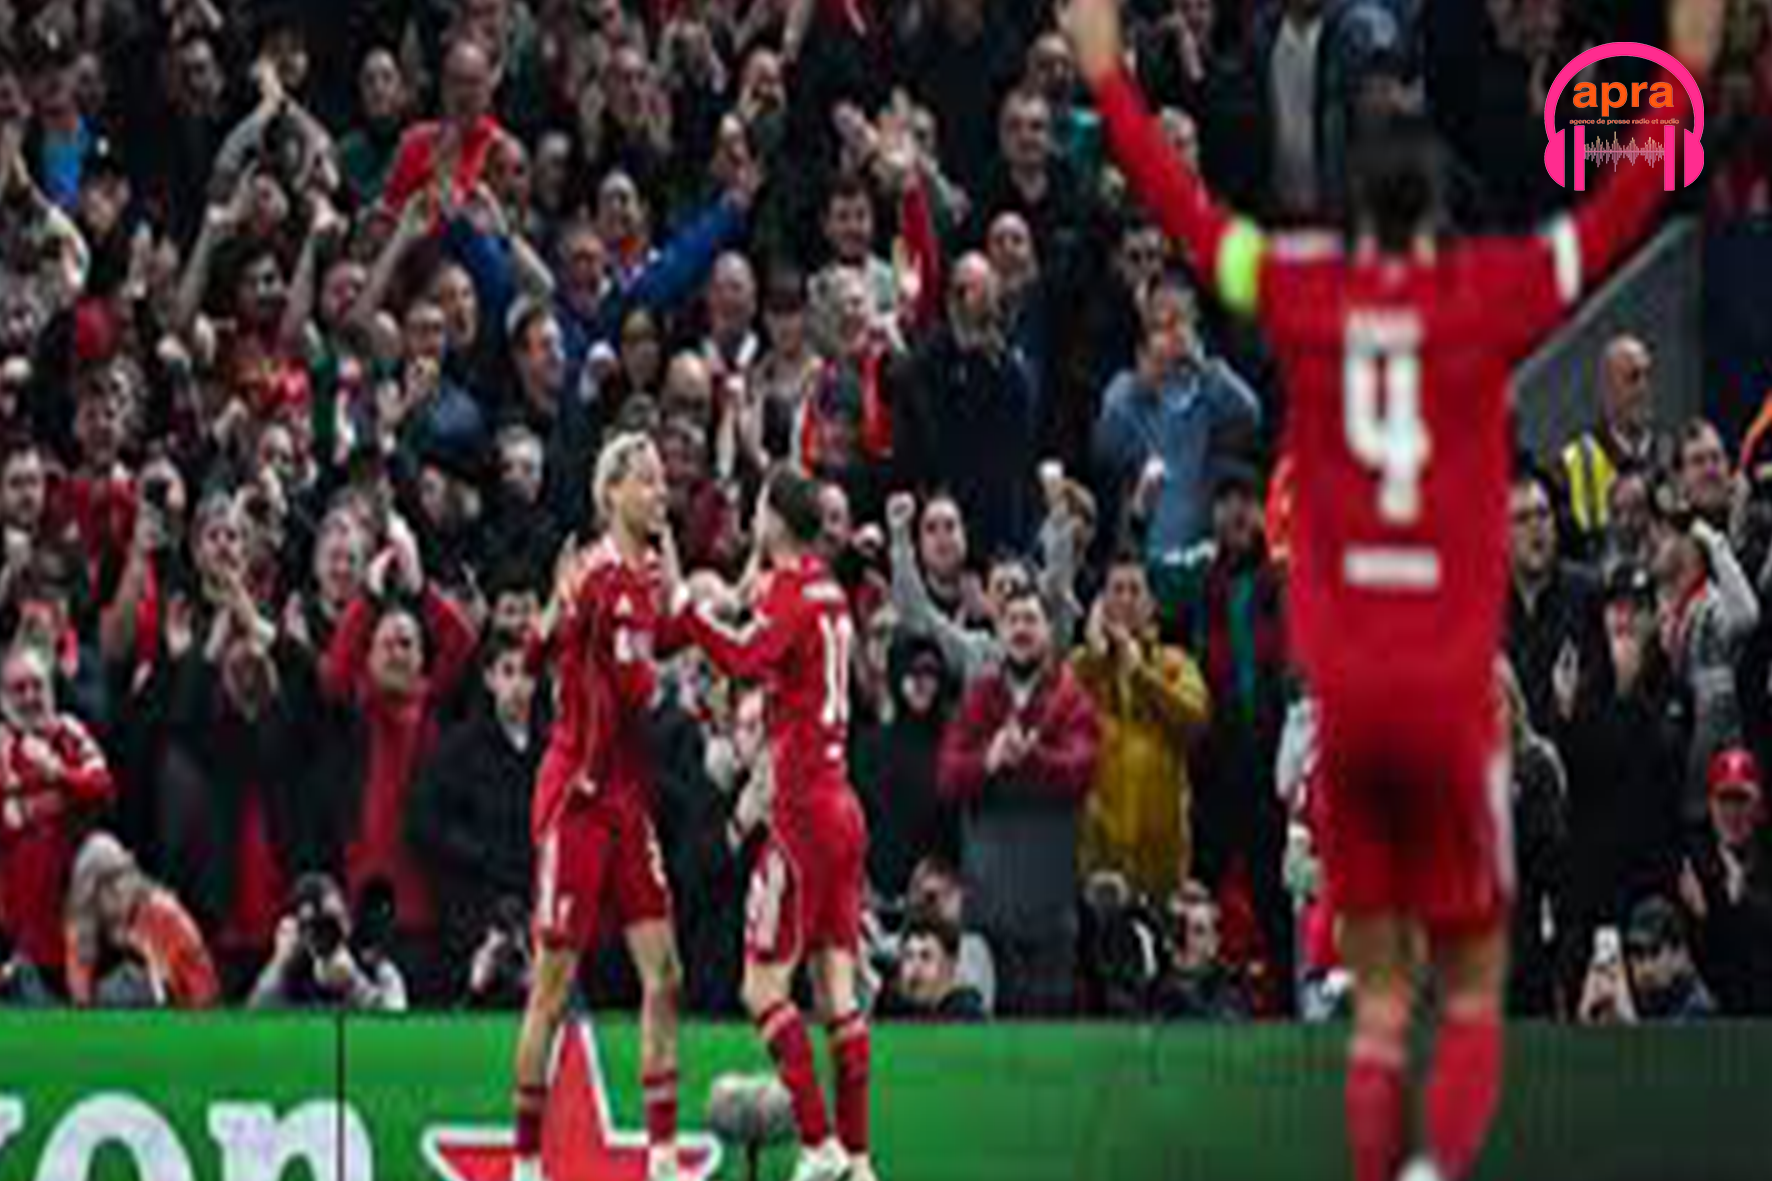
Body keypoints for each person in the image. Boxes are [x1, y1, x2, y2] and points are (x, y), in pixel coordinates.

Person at [1067, 0, 1725, 1178]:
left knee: (1376, 1003)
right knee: (1468, 990)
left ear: (1349, 213)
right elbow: (1616, 213)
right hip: (1448, 688)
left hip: (1352, 697)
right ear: (1439, 215)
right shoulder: (1487, 289)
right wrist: (1684, 67)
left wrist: (1110, 79)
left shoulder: (1301, 287)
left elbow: (1188, 215)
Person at [679, 469, 874, 1181]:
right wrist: (738, 595)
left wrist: (689, 612)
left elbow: (740, 654)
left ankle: (818, 1143)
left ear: (775, 520)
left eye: (759, 508)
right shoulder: (828, 590)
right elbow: (773, 631)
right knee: (838, 995)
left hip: (801, 814)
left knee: (762, 989)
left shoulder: (791, 592)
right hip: (843, 805)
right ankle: (858, 1159)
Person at [514, 434, 687, 1181]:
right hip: (577, 797)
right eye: (646, 481)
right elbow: (631, 683)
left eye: (662, 481)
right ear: (610, 491)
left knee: (666, 973)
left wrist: (683, 598)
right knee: (552, 987)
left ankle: (662, 1156)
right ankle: (525, 1163)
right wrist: (556, 615)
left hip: (624, 796)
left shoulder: (633, 575)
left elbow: (657, 638)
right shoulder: (599, 575)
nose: (660, 493)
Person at [938, 586, 1101, 1017]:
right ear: (998, 631)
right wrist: (989, 760)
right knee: (984, 1044)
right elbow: (948, 776)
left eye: (1031, 620)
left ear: (1049, 631)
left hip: (1050, 910)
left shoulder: (1071, 699)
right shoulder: (979, 699)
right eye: (1012, 621)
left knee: (1049, 1037)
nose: (1021, 630)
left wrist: (1032, 757)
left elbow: (1083, 769)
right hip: (986, 912)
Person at [248, 873, 408, 1010]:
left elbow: (399, 1029)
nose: (324, 933)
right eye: (313, 925)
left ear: (348, 921)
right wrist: (279, 964)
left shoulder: (376, 969)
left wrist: (356, 985)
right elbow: (253, 1028)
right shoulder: (287, 975)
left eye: (333, 922)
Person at [877, 911, 985, 1022]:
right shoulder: (899, 1010)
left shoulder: (968, 1017)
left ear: (950, 965)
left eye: (926, 957)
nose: (915, 966)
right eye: (909, 956)